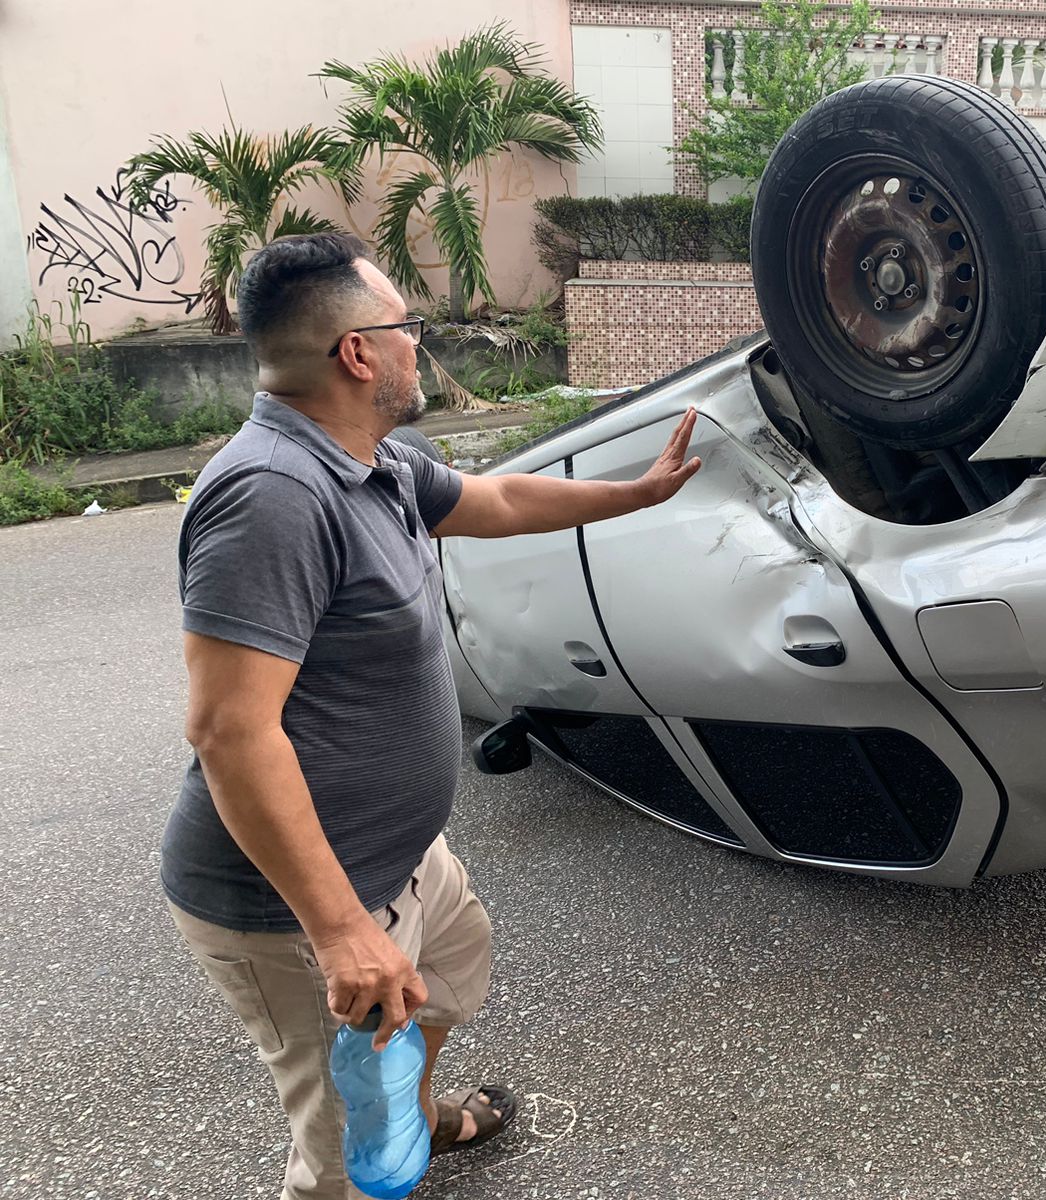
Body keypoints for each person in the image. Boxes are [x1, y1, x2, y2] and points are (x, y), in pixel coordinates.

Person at [162, 232, 700, 1199]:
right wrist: (339, 934)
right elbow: (229, 731)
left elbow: (495, 497)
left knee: (455, 961)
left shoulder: (377, 461)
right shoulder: (274, 498)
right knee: (341, 1162)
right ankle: (381, 1144)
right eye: (406, 326)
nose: (422, 342)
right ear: (357, 354)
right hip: (301, 908)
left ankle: (416, 1117)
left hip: (401, 861)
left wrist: (638, 494)